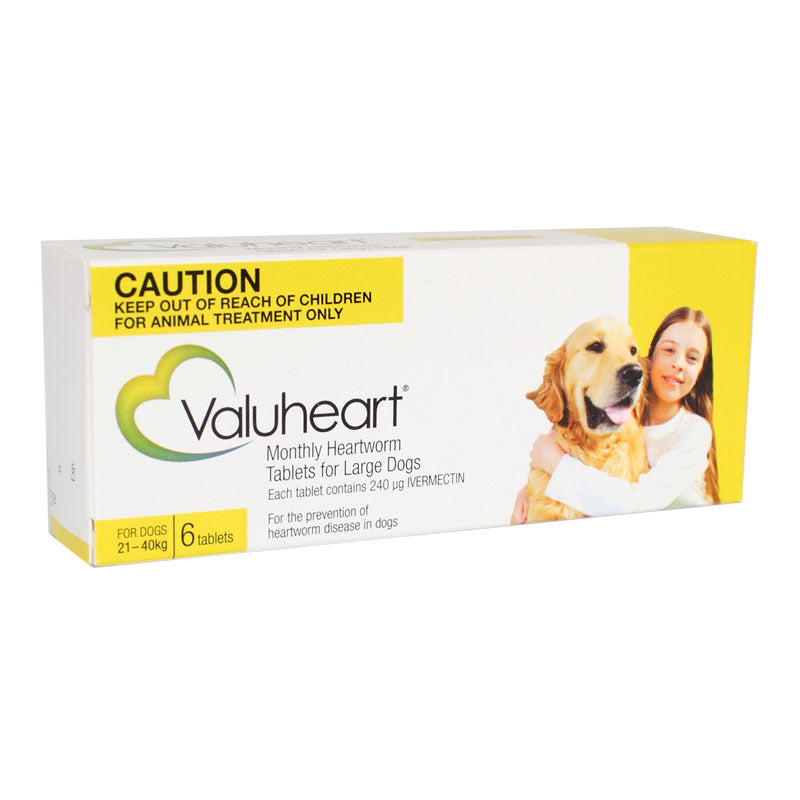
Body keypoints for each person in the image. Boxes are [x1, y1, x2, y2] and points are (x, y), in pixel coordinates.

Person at [511, 307, 720, 522]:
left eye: (692, 358)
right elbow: (577, 452)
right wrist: (531, 488)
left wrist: (554, 463)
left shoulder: (695, 432)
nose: (679, 364)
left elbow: (639, 504)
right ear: (650, 356)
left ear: (701, 371)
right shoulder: (629, 409)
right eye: (669, 350)